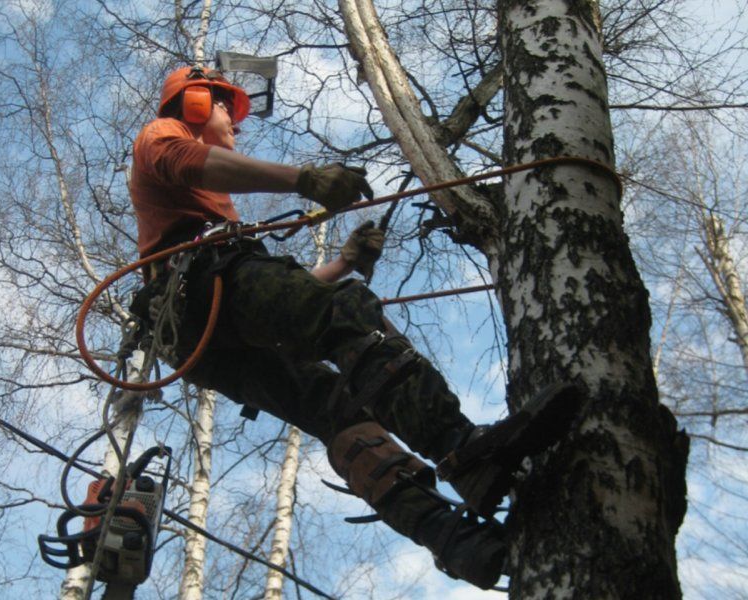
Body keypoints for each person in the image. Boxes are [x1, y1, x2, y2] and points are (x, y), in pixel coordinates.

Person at [129, 65, 582, 590]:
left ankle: (454, 540)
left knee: (339, 411)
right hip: (206, 284)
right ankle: (461, 447)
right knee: (345, 311)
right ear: (196, 104)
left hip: (199, 330)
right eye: (227, 106)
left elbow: (276, 306)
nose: (236, 120)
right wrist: (305, 178)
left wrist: (342, 261)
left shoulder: (205, 204)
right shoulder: (163, 135)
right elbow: (188, 164)